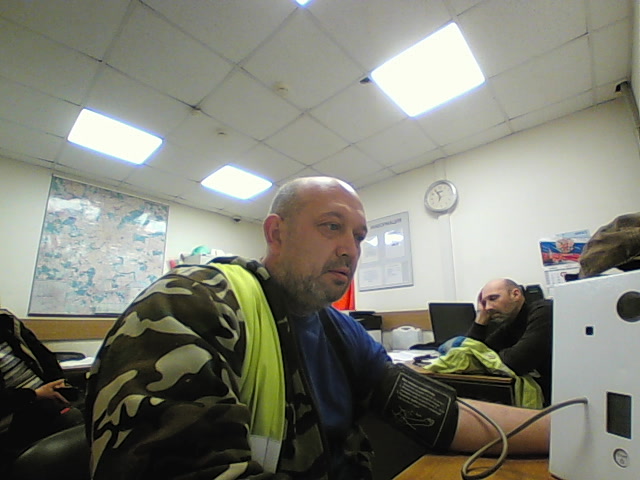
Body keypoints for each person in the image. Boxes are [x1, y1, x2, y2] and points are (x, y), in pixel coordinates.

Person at [85, 177, 549, 480]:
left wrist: (564, 429)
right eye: (331, 227)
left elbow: (441, 414)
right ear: (276, 233)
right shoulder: (192, 302)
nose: (351, 249)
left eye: (359, 236)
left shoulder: (341, 331)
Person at [0, 308, 84, 469]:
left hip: (43, 396)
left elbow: (44, 356)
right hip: (13, 413)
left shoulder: (6, 321)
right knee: (72, 420)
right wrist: (36, 395)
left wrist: (58, 382)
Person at [467, 278, 553, 405]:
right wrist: (481, 319)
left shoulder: (544, 311)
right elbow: (467, 356)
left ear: (515, 294)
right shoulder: (512, 323)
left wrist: (487, 357)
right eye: (484, 303)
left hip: (561, 398)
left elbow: (516, 361)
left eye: (493, 298)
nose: (488, 307)